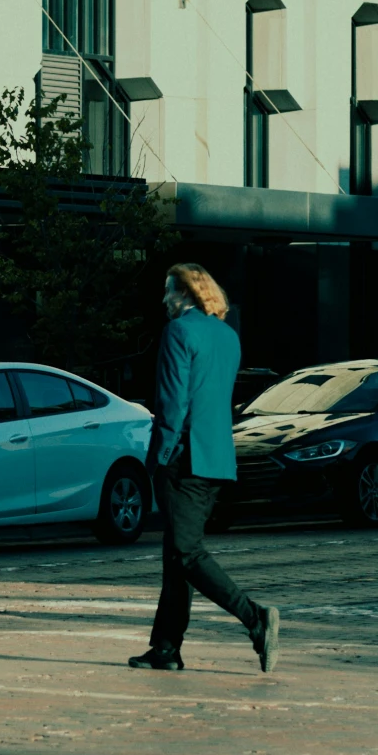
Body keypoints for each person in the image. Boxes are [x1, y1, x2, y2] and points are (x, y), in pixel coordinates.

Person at [127, 264, 281, 673]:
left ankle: (255, 617)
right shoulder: (228, 336)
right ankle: (165, 648)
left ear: (185, 293)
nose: (163, 299)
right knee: (176, 556)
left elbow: (173, 405)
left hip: (183, 459)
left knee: (187, 553)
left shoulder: (179, 332)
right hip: (215, 459)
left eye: (167, 291)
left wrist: (155, 459)